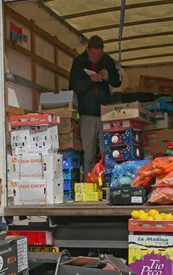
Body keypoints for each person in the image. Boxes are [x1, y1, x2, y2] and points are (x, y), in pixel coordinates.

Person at [69, 35, 120, 177]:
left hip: (105, 113)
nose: (97, 57)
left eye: (100, 54)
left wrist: (107, 77)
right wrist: (89, 79)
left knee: (107, 151)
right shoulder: (79, 62)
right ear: (87, 49)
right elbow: (73, 86)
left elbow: (118, 81)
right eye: (94, 54)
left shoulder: (107, 61)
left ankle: (108, 182)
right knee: (89, 153)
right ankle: (89, 184)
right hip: (87, 114)